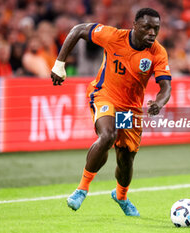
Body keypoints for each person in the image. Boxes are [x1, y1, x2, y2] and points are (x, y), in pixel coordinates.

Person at [51, 8, 172, 216]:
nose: (152, 33)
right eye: (147, 27)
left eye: (156, 28)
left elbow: (166, 88)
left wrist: (159, 103)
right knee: (107, 135)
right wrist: (59, 64)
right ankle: (82, 189)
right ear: (134, 25)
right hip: (104, 95)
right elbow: (79, 30)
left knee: (125, 158)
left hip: (130, 108)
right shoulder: (113, 36)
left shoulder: (157, 53)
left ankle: (121, 196)